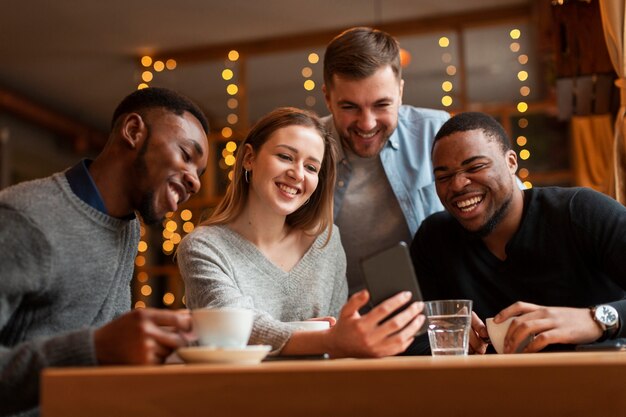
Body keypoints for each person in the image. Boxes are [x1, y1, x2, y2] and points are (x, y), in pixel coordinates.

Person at [0, 87, 210, 416]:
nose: (196, 183)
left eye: (199, 173)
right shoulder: (25, 218)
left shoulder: (127, 228)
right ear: (133, 131)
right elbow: (95, 348)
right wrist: (95, 348)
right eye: (186, 154)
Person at [177, 107, 424, 358]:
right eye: (285, 156)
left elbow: (337, 344)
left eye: (311, 167)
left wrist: (336, 339)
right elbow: (235, 329)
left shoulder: (326, 242)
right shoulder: (202, 247)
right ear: (249, 158)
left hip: (317, 393)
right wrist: (325, 338)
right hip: (236, 394)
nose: (297, 174)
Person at [410, 111, 626, 355]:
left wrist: (597, 319)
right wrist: (446, 343)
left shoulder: (580, 211)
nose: (458, 184)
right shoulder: (434, 239)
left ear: (511, 162)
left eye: (476, 166)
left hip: (602, 387)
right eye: (444, 176)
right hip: (493, 391)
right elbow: (410, 339)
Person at [322, 26, 449, 295]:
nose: (367, 123)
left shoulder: (437, 133)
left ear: (400, 92)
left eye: (382, 105)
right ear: (327, 98)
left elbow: (512, 205)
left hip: (429, 314)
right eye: (349, 106)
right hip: (338, 321)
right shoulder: (307, 146)